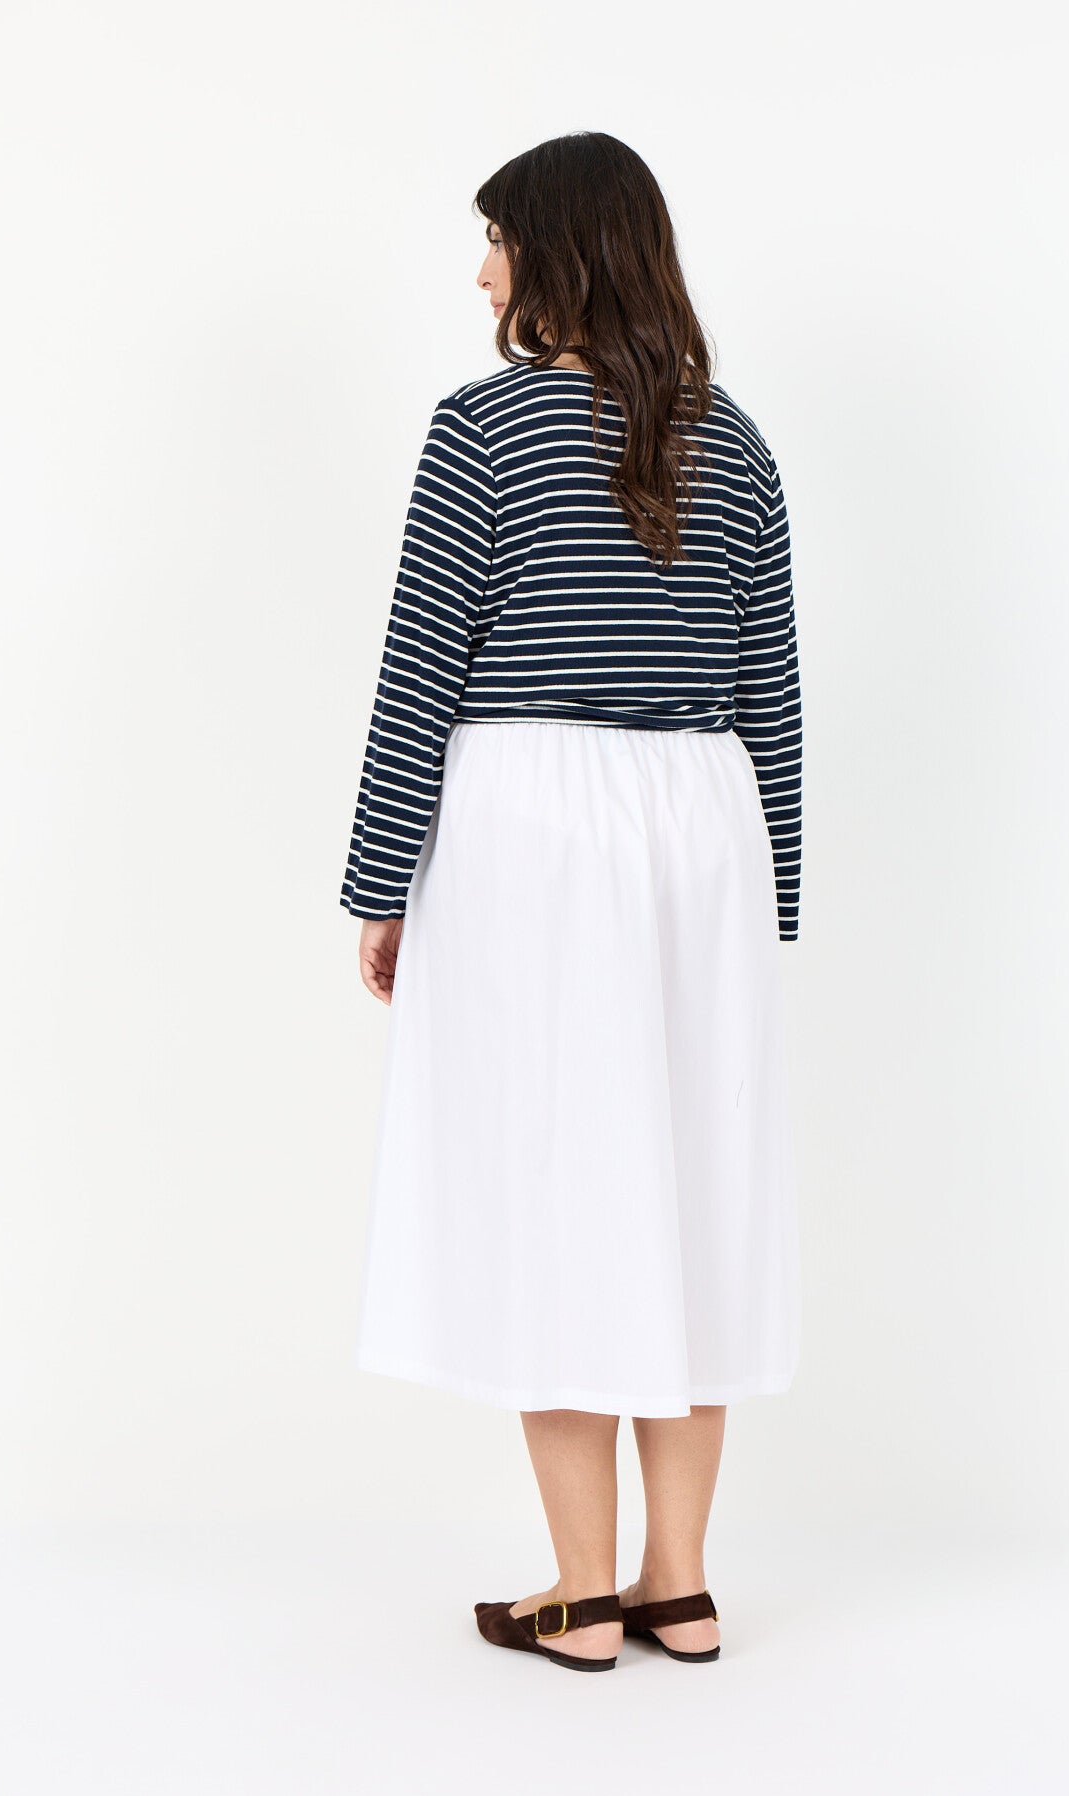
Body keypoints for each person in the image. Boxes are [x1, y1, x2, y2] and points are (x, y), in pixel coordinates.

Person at [339, 131, 803, 1674]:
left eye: (497, 240)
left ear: (556, 250)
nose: (482, 271)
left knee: (557, 1181)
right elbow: (769, 685)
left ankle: (584, 1593)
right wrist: (771, 898)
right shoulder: (733, 439)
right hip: (704, 827)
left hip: (534, 826)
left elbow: (423, 669)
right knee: (694, 1189)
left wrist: (380, 883)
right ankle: (683, 1585)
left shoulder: (482, 429)